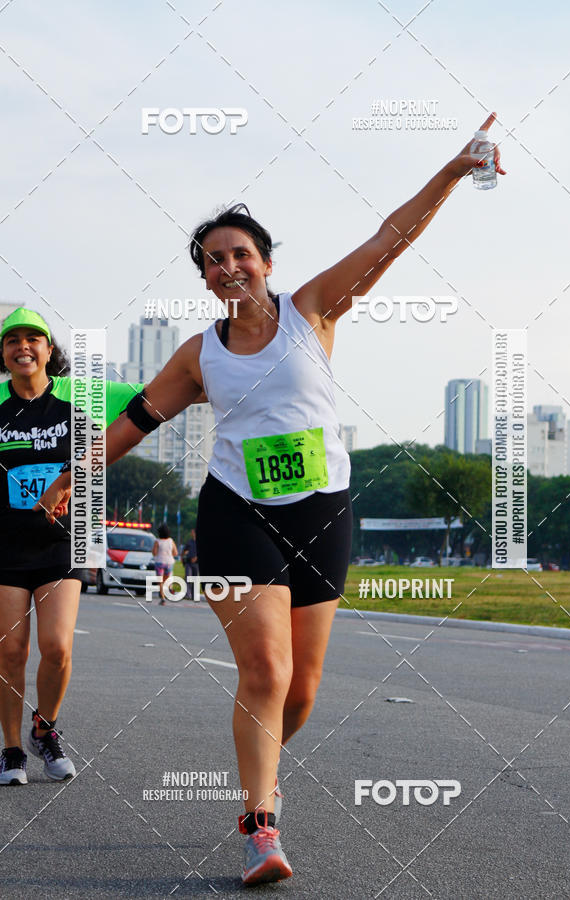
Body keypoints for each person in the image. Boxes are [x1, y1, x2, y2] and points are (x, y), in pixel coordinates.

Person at [38, 117, 504, 883]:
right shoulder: (200, 353)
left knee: (303, 688)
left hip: (322, 510)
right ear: (206, 277)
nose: (229, 267)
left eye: (240, 254)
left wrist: (451, 174)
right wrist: (74, 474)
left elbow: (390, 239)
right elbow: (136, 420)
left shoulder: (313, 308)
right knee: (265, 669)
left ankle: (265, 774)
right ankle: (261, 826)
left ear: (265, 263)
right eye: (214, 260)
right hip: (236, 512)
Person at [0, 307, 143, 786]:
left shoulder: (83, 395)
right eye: (12, 340)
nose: (22, 346)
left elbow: (159, 396)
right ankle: (12, 750)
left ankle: (45, 728)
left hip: (64, 541)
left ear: (48, 349)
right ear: (3, 353)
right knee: (11, 653)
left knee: (56, 646)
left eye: (32, 338)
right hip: (5, 544)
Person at [153, 523, 179, 604]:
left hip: (159, 562)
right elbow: (175, 553)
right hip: (169, 562)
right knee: (166, 579)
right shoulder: (171, 541)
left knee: (160, 581)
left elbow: (154, 553)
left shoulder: (157, 541)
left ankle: (163, 598)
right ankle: (168, 588)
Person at [181, 528, 199, 599]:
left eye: (193, 532)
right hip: (188, 562)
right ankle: (187, 594)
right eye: (191, 532)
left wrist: (196, 558)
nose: (191, 534)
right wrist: (182, 556)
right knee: (188, 578)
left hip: (196, 563)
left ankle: (194, 595)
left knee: (195, 579)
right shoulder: (189, 542)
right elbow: (185, 550)